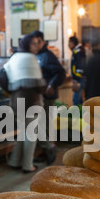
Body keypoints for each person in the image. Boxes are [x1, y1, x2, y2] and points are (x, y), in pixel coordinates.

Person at [0, 34, 46, 173]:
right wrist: (45, 89)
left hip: (16, 99)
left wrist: (10, 89)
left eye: (37, 43)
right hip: (31, 99)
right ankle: (27, 165)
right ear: (27, 45)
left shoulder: (15, 57)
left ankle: (14, 161)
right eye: (34, 44)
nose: (36, 46)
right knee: (31, 133)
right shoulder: (30, 58)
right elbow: (39, 84)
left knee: (24, 131)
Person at [32, 30, 66, 165]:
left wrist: (51, 85)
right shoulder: (37, 55)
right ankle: (43, 152)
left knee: (45, 124)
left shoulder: (47, 56)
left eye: (37, 42)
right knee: (41, 123)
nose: (34, 45)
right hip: (39, 95)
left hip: (47, 96)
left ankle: (50, 150)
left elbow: (60, 73)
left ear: (42, 42)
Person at [68, 36, 86, 106]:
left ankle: (76, 116)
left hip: (80, 78)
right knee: (79, 100)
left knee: (76, 100)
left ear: (72, 43)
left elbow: (79, 65)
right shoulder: (77, 50)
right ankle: (82, 115)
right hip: (79, 78)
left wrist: (76, 80)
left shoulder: (78, 51)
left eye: (69, 43)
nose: (68, 45)